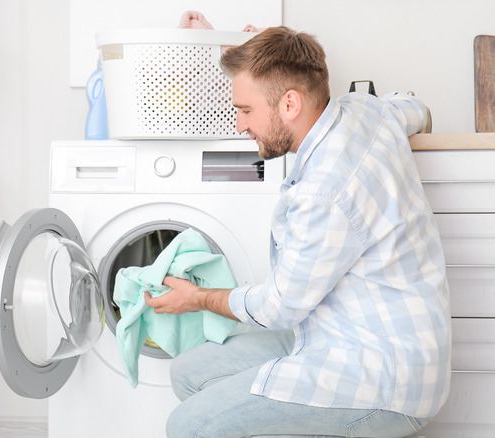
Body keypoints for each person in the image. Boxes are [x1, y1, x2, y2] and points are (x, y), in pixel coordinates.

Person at [144, 26, 451, 438]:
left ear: (290, 103)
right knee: (188, 372)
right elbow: (415, 108)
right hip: (334, 331)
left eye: (246, 110)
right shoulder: (365, 109)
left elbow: (278, 308)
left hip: (384, 376)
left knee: (189, 426)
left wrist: (196, 298)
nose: (239, 125)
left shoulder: (325, 189)